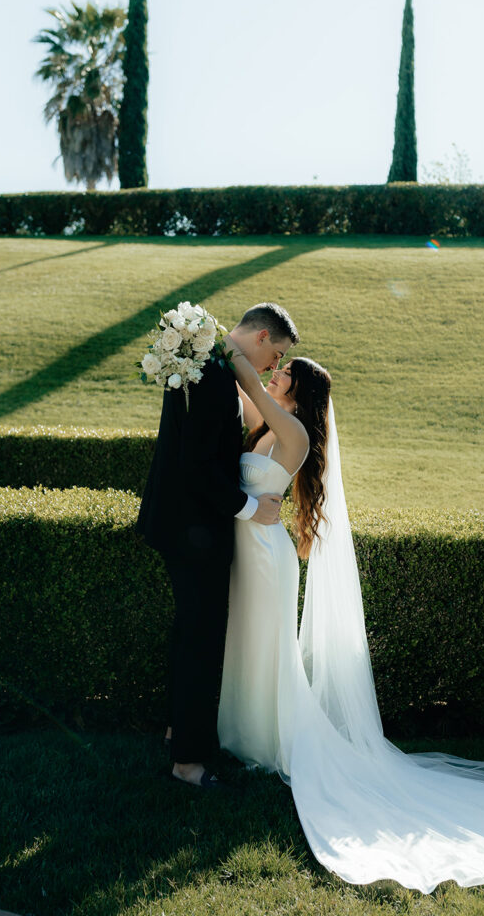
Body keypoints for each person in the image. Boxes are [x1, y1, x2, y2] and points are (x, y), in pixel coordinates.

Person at [218, 341, 484, 893]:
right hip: (249, 552)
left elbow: (247, 383)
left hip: (267, 558)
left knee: (265, 648)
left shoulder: (291, 431)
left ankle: (265, 741)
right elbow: (240, 395)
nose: (274, 376)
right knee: (246, 644)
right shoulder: (271, 424)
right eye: (276, 371)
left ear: (298, 395)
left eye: (285, 374)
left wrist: (216, 345)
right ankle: (243, 734)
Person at [136, 302, 299, 789]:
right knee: (201, 644)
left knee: (188, 634)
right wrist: (252, 510)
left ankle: (176, 730)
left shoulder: (206, 361)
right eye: (278, 355)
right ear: (264, 335)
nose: (274, 366)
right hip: (195, 531)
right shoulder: (209, 374)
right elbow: (199, 467)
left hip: (180, 523)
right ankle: (188, 762)